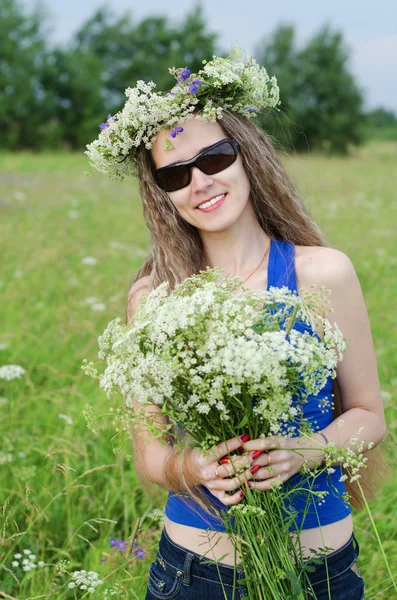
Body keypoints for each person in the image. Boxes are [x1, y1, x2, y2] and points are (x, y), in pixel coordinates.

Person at [86, 47, 387, 600]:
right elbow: (150, 457)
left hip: (322, 574)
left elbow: (370, 416)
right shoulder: (153, 298)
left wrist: (305, 449)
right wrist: (195, 466)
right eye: (175, 173)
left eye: (215, 158)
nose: (199, 182)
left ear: (246, 156)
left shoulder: (323, 273)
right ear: (164, 193)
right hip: (195, 575)